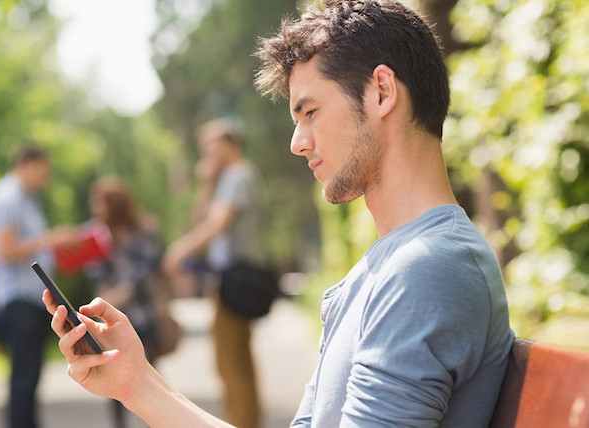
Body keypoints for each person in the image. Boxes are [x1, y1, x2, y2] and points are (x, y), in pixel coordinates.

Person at [41, 0, 515, 427]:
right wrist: (135, 383)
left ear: (382, 92)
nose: (297, 142)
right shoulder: (390, 265)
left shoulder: (429, 268)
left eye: (309, 112)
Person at [162, 118, 265, 428]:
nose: (207, 153)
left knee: (230, 361)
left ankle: (242, 422)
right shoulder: (231, 177)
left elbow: (216, 223)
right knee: (236, 359)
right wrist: (206, 181)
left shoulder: (237, 175)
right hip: (231, 279)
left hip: (235, 279)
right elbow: (203, 216)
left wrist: (181, 249)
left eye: (212, 146)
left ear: (231, 144)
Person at [0, 145, 78, 428]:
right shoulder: (6, 198)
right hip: (16, 301)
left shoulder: (26, 200)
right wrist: (51, 239)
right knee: (23, 378)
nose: (45, 179)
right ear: (26, 164)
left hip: (31, 300)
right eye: (43, 171)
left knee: (31, 376)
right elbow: (4, 250)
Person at [86, 176, 168, 428]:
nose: (95, 207)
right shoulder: (95, 237)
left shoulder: (145, 231)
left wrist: (117, 295)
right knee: (114, 381)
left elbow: (148, 271)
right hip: (110, 319)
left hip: (144, 314)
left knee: (149, 378)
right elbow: (96, 275)